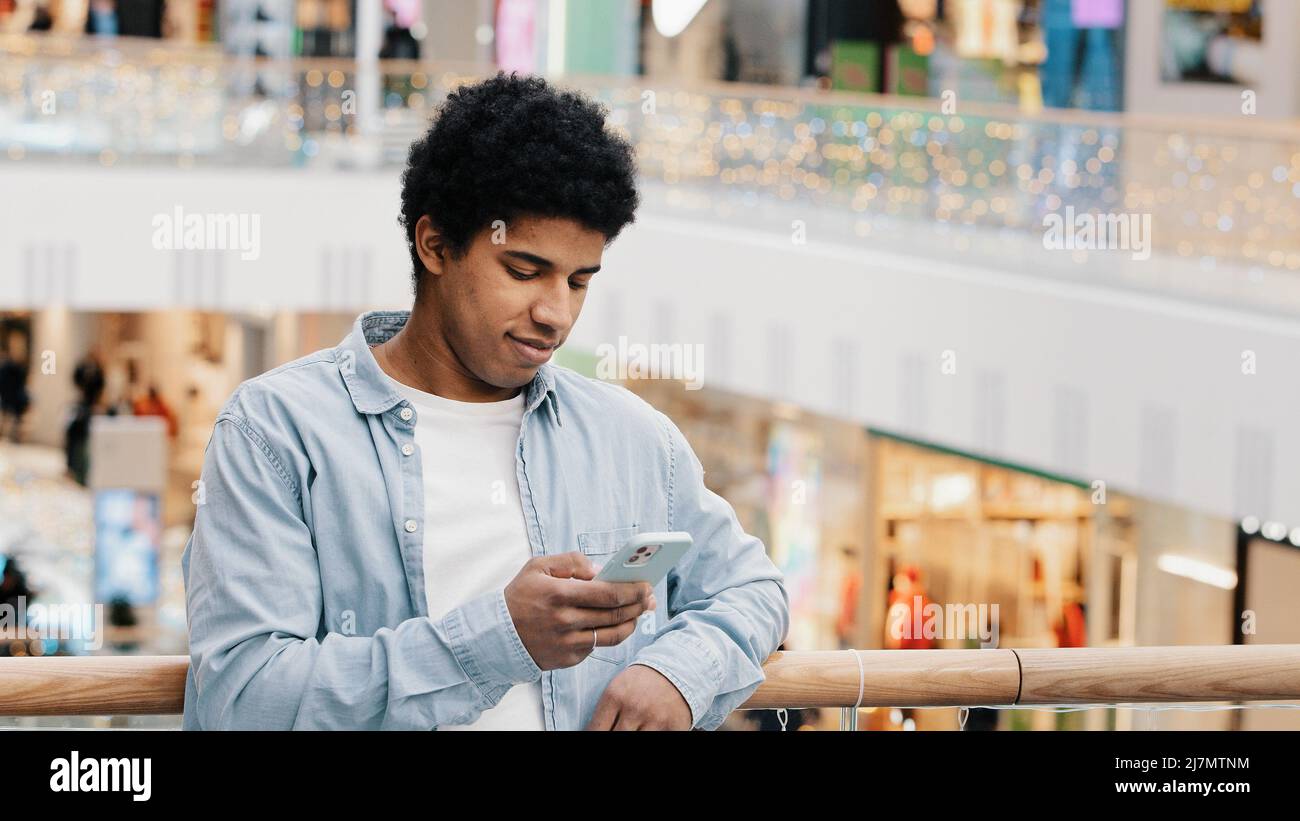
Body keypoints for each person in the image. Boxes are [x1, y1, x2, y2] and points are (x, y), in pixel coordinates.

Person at [182, 72, 790, 731]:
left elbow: (754, 588)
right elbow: (242, 699)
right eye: (524, 271)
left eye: (579, 280)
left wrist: (678, 673)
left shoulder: (634, 439)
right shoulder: (279, 433)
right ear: (435, 244)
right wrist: (497, 639)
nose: (556, 313)